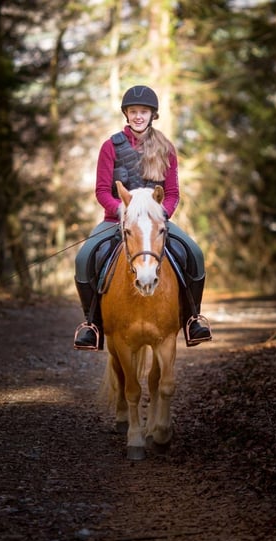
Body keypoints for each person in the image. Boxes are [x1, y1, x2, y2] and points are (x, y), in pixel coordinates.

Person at [73, 85, 212, 350]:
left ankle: (193, 319)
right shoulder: (109, 147)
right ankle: (92, 324)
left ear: (152, 115)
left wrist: (159, 215)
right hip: (116, 221)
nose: (138, 116)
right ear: (126, 114)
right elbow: (102, 190)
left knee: (194, 253)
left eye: (144, 112)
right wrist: (123, 213)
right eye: (133, 111)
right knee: (83, 258)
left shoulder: (166, 148)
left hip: (155, 223)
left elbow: (172, 193)